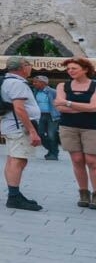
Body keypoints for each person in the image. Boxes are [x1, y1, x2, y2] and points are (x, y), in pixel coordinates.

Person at [0, 56, 44, 210]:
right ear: (21, 67)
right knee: (19, 160)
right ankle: (14, 197)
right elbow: (19, 108)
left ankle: (14, 194)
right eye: (28, 64)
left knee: (13, 159)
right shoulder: (17, 84)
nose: (30, 67)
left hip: (11, 125)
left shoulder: (8, 81)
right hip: (19, 128)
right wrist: (32, 131)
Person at [53, 57, 96, 209]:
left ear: (85, 69)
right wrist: (83, 107)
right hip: (68, 127)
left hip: (92, 128)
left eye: (74, 68)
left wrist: (69, 103)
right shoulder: (62, 86)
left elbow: (94, 108)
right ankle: (84, 193)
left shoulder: (95, 85)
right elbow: (59, 107)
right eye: (68, 69)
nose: (70, 71)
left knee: (92, 161)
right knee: (77, 160)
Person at [32, 75, 61, 161]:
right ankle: (52, 150)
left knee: (51, 135)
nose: (34, 83)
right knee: (40, 133)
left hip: (52, 115)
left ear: (43, 83)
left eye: (36, 82)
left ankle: (53, 154)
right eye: (33, 82)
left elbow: (60, 102)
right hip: (40, 115)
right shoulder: (35, 91)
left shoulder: (53, 92)